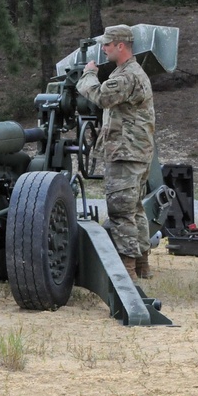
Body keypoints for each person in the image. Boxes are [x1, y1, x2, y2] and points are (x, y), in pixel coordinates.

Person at [76, 24, 156, 281]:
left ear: (120, 46)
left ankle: (127, 273)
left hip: (125, 153)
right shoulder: (132, 72)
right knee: (135, 210)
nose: (103, 49)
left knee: (121, 212)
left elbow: (100, 97)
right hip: (135, 152)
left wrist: (88, 74)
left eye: (107, 45)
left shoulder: (126, 76)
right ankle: (142, 266)